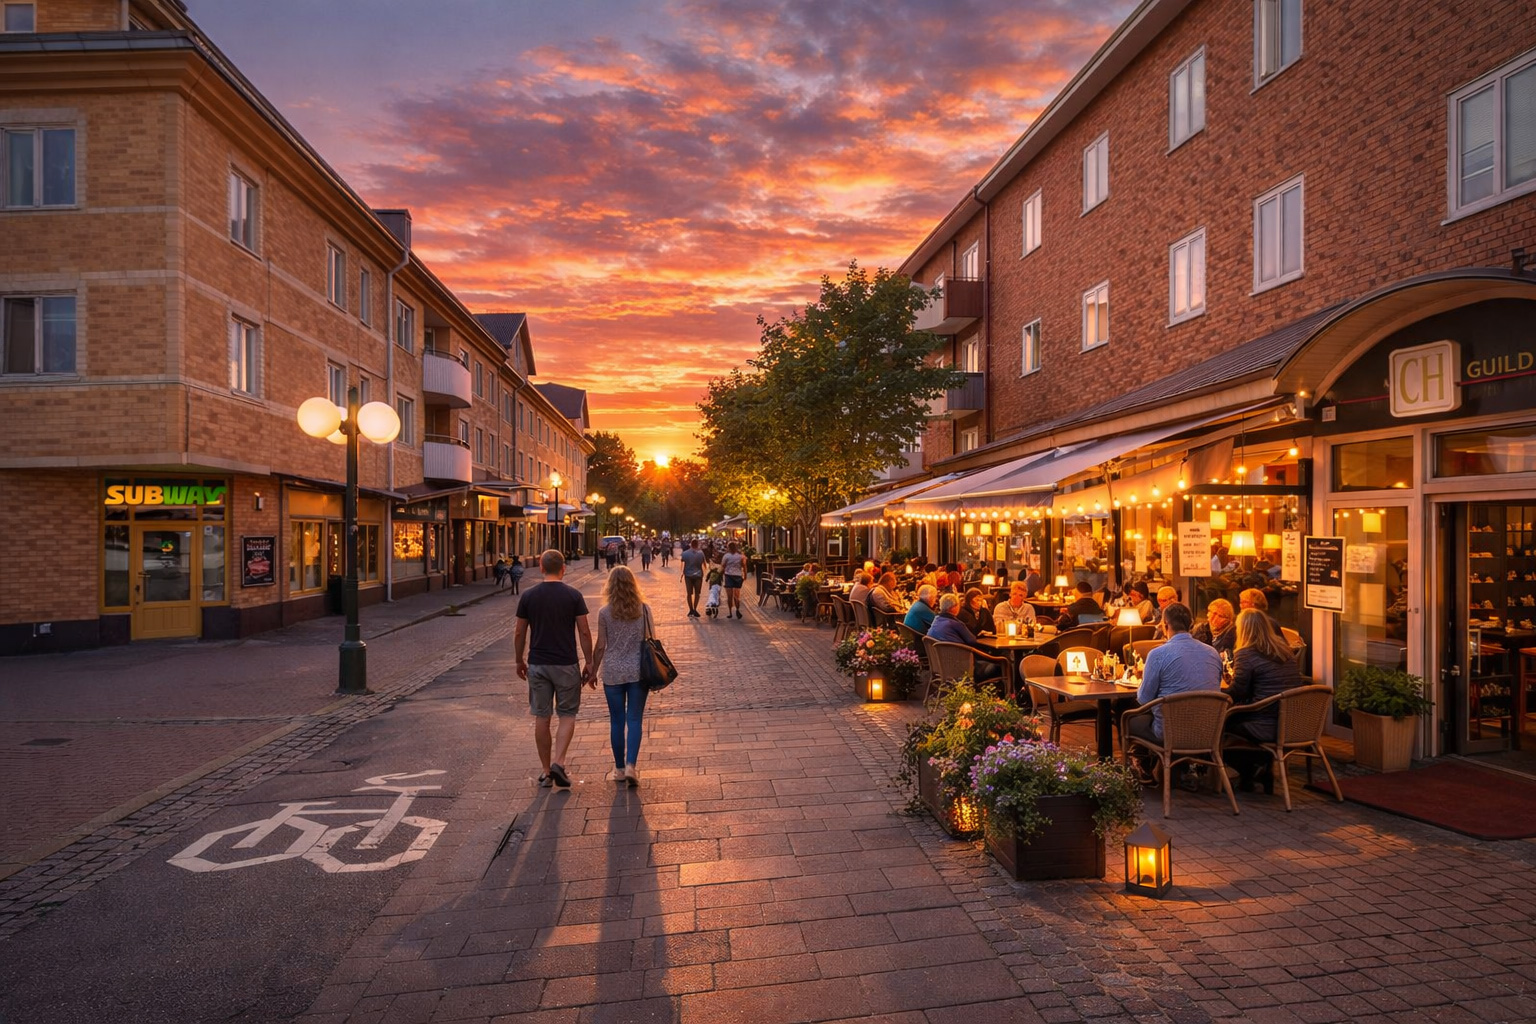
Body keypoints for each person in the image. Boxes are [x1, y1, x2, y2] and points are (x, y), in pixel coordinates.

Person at [513, 549, 595, 790]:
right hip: (566, 664)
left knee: (542, 715)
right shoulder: (573, 595)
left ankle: (546, 770)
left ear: (540, 567)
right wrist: (589, 662)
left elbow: (519, 632)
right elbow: (584, 631)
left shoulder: (529, 596)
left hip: (538, 664)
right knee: (567, 714)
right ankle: (559, 761)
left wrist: (519, 660)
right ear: (563, 568)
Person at [1223, 608, 1302, 792]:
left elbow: (1238, 691)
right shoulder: (1285, 651)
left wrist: (1218, 690)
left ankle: (1248, 773)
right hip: (1292, 722)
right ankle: (1261, 768)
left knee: (1218, 724)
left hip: (1264, 722)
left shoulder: (1246, 654)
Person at [588, 565, 651, 788]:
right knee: (634, 719)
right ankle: (632, 764)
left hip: (613, 672)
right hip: (637, 671)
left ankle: (619, 768)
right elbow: (650, 639)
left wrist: (592, 671)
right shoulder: (643, 609)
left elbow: (600, 646)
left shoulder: (604, 613)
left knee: (617, 720)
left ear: (610, 586)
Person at [1130, 601, 1222, 744]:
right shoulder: (1212, 653)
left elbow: (1144, 699)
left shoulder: (1157, 654)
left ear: (1165, 625)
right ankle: (1163, 764)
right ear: (1191, 625)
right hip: (1207, 731)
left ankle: (1142, 763)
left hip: (1169, 733)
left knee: (1127, 717)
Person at [927, 593, 1003, 684]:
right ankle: (1003, 694)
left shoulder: (936, 621)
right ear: (954, 607)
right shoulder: (956, 624)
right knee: (1002, 663)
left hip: (942, 665)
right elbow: (972, 641)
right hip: (962, 666)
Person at [679, 539, 707, 618]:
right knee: (697, 593)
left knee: (689, 593)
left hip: (688, 575)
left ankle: (690, 609)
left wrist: (682, 573)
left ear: (691, 544)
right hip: (698, 575)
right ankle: (695, 609)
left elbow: (682, 564)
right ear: (697, 544)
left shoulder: (685, 553)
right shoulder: (701, 553)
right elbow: (704, 564)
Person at [720, 541, 747, 619]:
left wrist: (720, 575)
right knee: (736, 595)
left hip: (728, 576)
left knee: (729, 596)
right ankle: (737, 610)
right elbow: (744, 566)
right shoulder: (741, 556)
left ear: (728, 548)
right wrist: (745, 575)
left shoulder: (726, 556)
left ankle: (730, 612)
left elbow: (723, 566)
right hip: (738, 576)